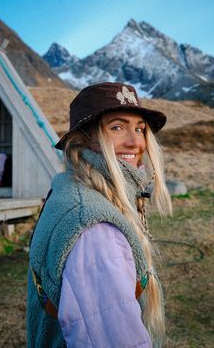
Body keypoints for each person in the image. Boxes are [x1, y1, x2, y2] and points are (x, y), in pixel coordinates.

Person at [27, 82, 172, 348]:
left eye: (139, 128)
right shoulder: (95, 229)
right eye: (117, 127)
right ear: (82, 139)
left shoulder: (71, 188)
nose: (135, 141)